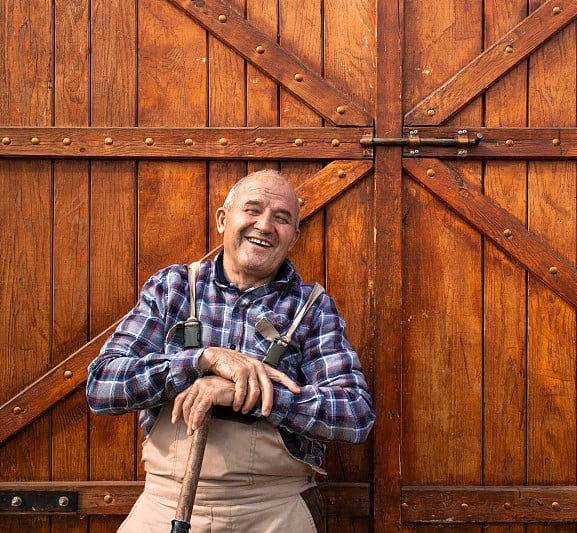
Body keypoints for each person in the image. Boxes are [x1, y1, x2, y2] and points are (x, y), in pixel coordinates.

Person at [86, 169, 375, 532]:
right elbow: (101, 387)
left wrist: (248, 395)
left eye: (281, 218)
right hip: (163, 508)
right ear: (224, 219)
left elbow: (355, 414)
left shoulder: (312, 307)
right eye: (252, 210)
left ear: (294, 236)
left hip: (273, 513)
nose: (265, 225)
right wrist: (202, 360)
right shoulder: (172, 288)